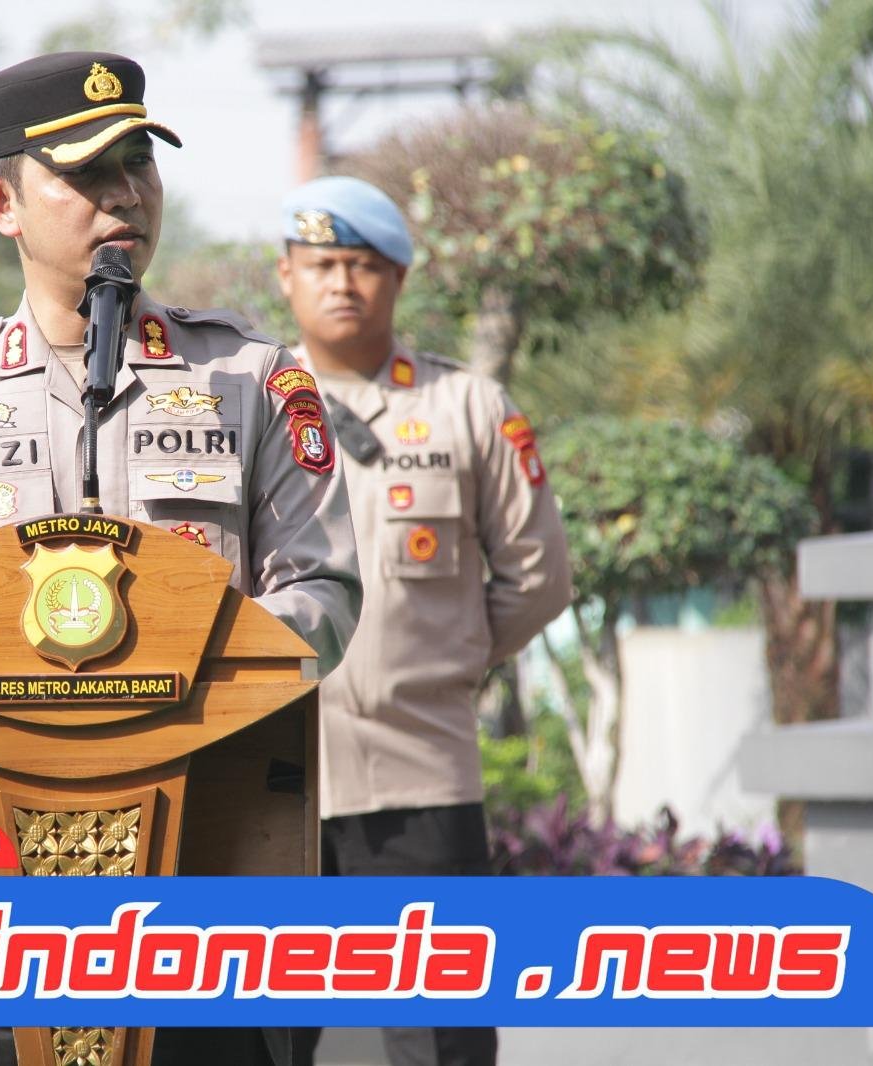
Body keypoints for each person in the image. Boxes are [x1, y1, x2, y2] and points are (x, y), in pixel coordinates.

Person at [0, 52, 363, 1066]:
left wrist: (184, 675)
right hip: (0, 916)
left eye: (138, 163)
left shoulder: (252, 380)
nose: (124, 193)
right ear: (1, 203)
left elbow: (324, 591)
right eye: (85, 172)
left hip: (207, 903)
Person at [276, 176, 573, 1066]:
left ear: (399, 278)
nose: (342, 282)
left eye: (364, 264)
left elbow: (539, 578)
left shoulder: (469, 407)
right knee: (256, 1041)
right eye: (322, 263)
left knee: (441, 1040)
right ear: (286, 275)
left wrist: (448, 665)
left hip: (420, 775)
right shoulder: (244, 403)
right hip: (269, 777)